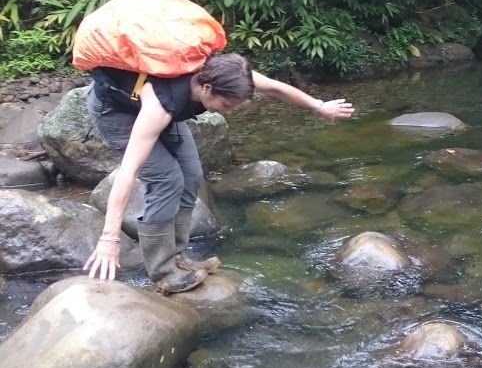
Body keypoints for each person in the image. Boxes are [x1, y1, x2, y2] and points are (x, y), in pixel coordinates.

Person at [82, 53, 354, 293]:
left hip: (161, 106)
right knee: (167, 180)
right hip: (118, 111)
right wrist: (110, 237)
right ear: (206, 87)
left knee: (191, 174)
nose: (231, 112)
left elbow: (276, 88)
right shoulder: (161, 105)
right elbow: (128, 172)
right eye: (227, 105)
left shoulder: (229, 73)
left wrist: (319, 106)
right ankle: (163, 273)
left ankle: (177, 257)